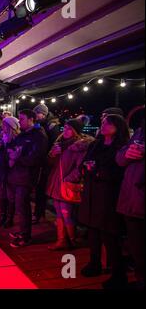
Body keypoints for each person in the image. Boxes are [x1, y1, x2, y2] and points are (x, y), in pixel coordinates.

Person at [78, 114, 130, 289]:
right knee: (93, 232)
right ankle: (94, 264)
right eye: (103, 122)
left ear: (118, 127)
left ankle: (118, 274)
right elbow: (84, 163)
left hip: (109, 195)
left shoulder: (121, 146)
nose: (104, 125)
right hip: (92, 193)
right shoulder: (96, 144)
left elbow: (121, 172)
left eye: (108, 123)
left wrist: (98, 172)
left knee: (109, 235)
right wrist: (86, 168)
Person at [46, 117, 94, 251]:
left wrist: (69, 179)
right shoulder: (60, 143)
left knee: (66, 212)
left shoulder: (80, 146)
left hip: (66, 183)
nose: (65, 130)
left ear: (75, 131)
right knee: (59, 213)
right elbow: (50, 164)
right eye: (65, 128)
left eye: (69, 128)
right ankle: (61, 240)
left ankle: (71, 240)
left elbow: (80, 168)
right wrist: (52, 155)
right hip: (56, 183)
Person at [7, 109, 48, 248]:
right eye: (19, 119)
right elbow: (13, 148)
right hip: (18, 174)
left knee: (23, 206)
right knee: (20, 206)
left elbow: (37, 158)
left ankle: (26, 236)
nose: (19, 121)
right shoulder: (24, 134)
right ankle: (23, 231)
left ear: (31, 119)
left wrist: (17, 158)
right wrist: (12, 151)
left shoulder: (39, 135)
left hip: (27, 176)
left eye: (22, 119)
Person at [116, 121, 144, 289]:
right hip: (132, 199)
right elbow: (119, 158)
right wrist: (127, 153)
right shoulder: (140, 131)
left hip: (139, 198)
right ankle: (141, 279)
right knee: (136, 246)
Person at [32, 103, 59, 223]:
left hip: (46, 162)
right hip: (41, 161)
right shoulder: (43, 124)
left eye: (36, 113)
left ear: (43, 114)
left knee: (41, 189)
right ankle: (39, 213)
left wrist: (46, 158)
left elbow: (53, 144)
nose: (35, 116)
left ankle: (39, 214)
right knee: (39, 188)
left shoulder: (52, 126)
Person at [0, 116, 21, 228]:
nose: (3, 127)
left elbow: (15, 157)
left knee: (10, 196)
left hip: (11, 172)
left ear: (11, 127)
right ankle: (2, 216)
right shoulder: (2, 138)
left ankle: (10, 219)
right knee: (2, 195)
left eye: (5, 125)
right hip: (1, 170)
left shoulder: (16, 139)